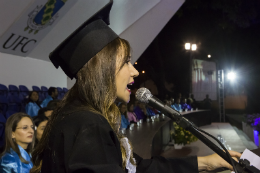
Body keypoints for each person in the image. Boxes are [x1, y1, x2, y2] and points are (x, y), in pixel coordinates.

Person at [31, 2, 241, 173]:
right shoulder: (88, 125)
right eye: (125, 62)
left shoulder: (82, 116)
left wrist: (203, 163)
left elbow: (137, 167)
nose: (134, 71)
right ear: (101, 69)